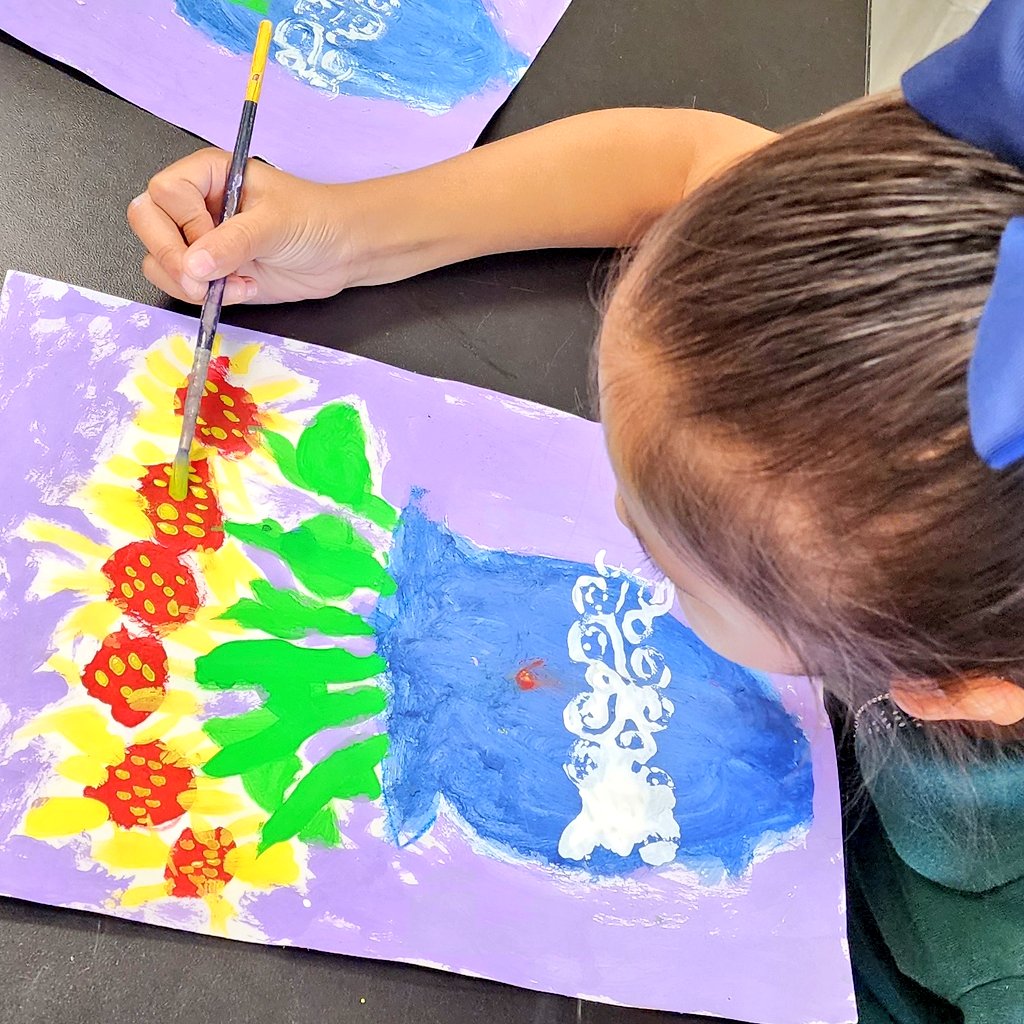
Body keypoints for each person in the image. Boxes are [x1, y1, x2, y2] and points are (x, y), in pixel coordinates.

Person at [128, 2, 1024, 1020]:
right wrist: (355, 236)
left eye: (668, 558)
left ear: (951, 689)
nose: (607, 517)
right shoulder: (957, 245)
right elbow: (686, 162)